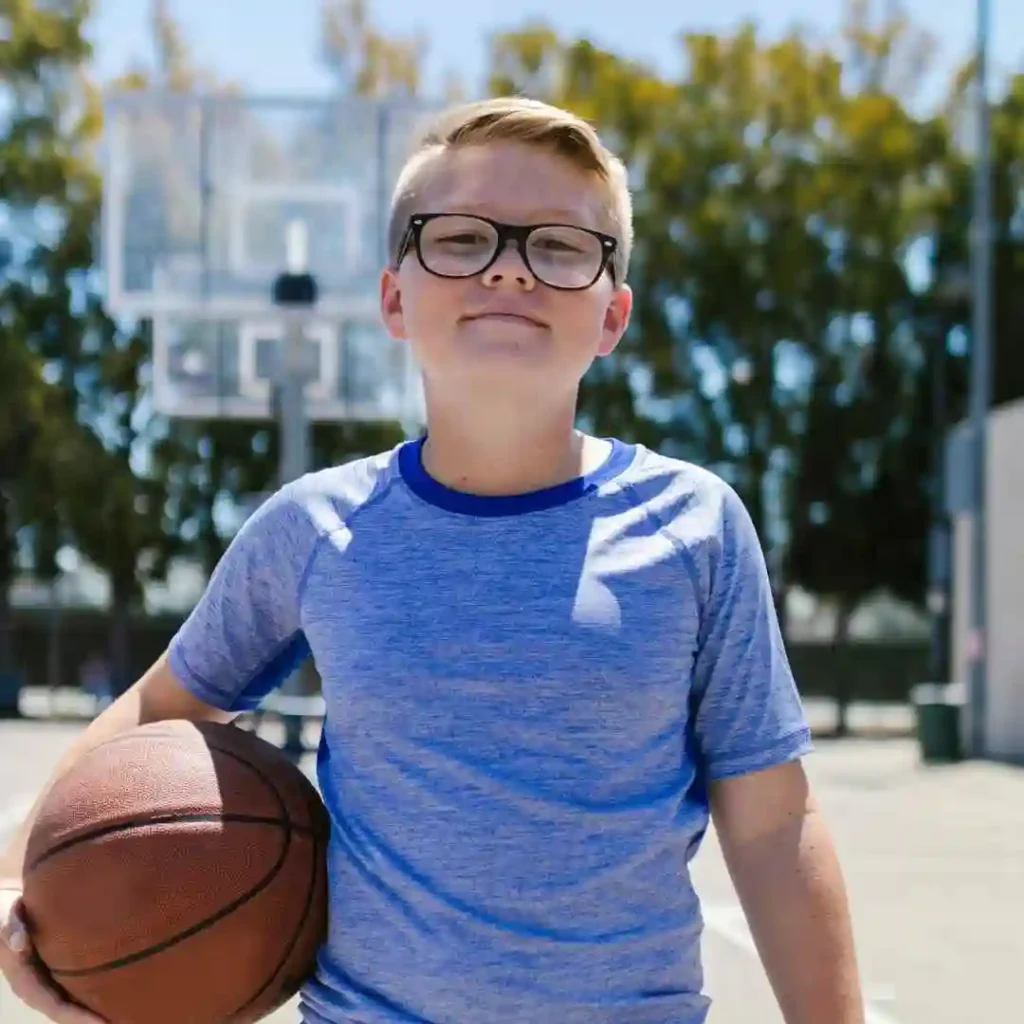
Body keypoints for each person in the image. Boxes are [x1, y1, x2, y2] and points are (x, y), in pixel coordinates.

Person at [0, 97, 865, 1024]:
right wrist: (21, 874)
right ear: (393, 298)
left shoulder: (694, 527)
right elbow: (158, 706)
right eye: (458, 239)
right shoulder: (315, 528)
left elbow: (774, 822)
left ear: (612, 316)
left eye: (561, 247)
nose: (507, 268)